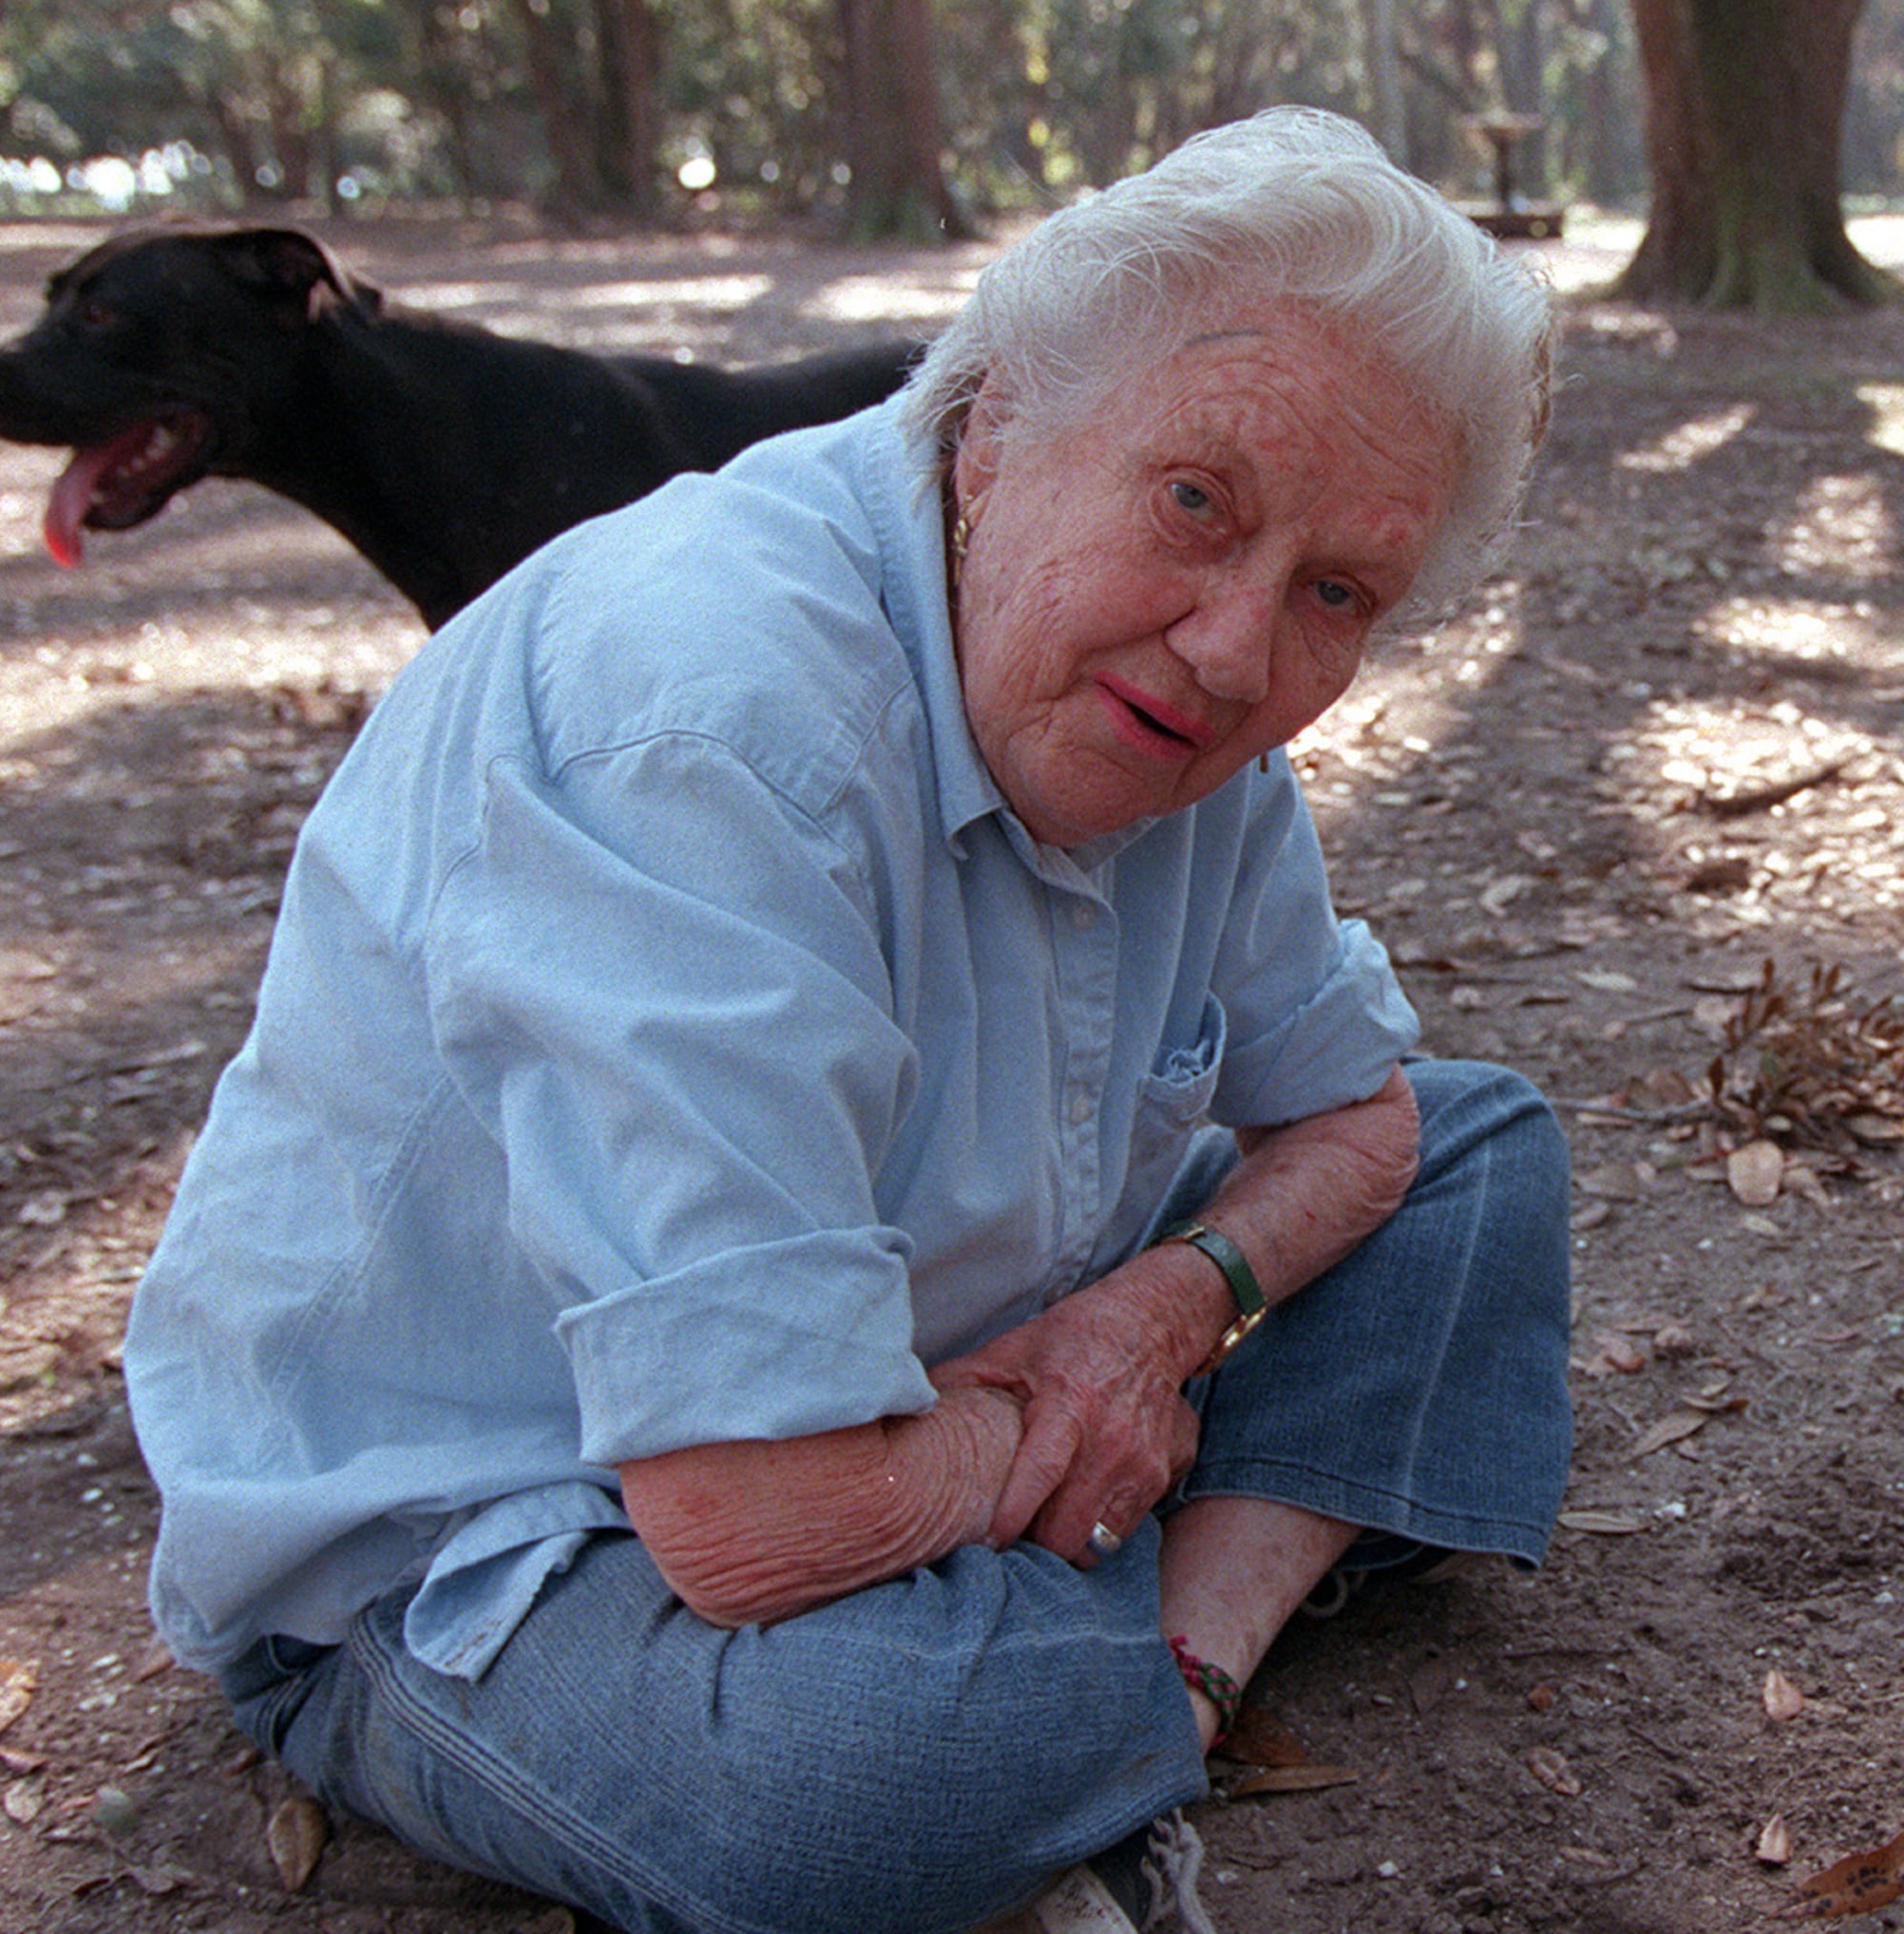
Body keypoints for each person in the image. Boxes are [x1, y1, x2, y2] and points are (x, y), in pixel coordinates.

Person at [120, 106, 1571, 1934]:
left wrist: (1154, 1321)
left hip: (923, 1352)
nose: (1230, 649)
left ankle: (1170, 1677)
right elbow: (750, 1526)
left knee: (1481, 1147)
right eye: (1196, 500)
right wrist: (1066, 1423)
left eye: (1334, 592)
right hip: (511, 1527)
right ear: (992, 429)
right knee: (863, 1772)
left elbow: (1363, 1123)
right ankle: (1113, 1655)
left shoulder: (1183, 702)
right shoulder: (710, 724)